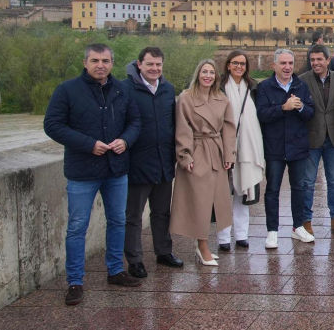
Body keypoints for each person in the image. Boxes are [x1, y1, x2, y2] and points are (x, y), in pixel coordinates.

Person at [44, 43, 142, 305]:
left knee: (118, 221)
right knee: (77, 227)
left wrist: (126, 140)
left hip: (116, 169)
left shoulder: (122, 89)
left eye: (106, 61)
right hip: (82, 171)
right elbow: (52, 125)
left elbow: (135, 122)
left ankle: (115, 271)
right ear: (85, 62)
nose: (101, 65)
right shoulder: (67, 90)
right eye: (96, 60)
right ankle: (75, 281)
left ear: (112, 63)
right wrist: (88, 144)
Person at [122, 47, 183, 278]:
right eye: (150, 64)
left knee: (161, 212)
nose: (155, 69)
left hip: (163, 162)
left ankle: (163, 252)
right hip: (136, 163)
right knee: (133, 215)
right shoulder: (125, 89)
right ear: (139, 64)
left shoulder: (168, 89)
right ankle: (135, 260)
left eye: (158, 65)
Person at [170, 59, 236, 267]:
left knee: (215, 202)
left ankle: (204, 245)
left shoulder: (221, 98)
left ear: (216, 76)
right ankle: (202, 245)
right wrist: (185, 155)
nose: (208, 75)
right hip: (197, 152)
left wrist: (229, 155)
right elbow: (182, 128)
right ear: (198, 74)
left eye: (211, 72)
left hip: (216, 152)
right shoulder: (186, 98)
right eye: (204, 72)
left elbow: (229, 128)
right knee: (200, 202)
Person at [256, 48, 315, 249]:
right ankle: (272, 231)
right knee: (272, 190)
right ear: (274, 65)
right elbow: (262, 115)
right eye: (283, 63)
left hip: (297, 147)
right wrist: (283, 107)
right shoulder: (264, 87)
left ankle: (298, 227)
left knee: (299, 188)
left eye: (290, 63)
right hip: (275, 147)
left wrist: (300, 108)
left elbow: (310, 113)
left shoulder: (301, 86)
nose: (287, 67)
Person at [217, 51, 265, 250]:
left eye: (242, 64)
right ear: (228, 65)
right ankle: (223, 238)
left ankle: (242, 234)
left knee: (243, 192)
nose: (239, 67)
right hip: (223, 145)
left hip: (248, 146)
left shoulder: (253, 87)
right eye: (235, 63)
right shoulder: (218, 87)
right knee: (222, 194)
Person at [299, 45, 334, 235]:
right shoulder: (302, 80)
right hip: (312, 137)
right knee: (308, 182)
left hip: (333, 138)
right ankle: (306, 220)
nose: (316, 63)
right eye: (312, 60)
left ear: (328, 60)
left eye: (319, 59)